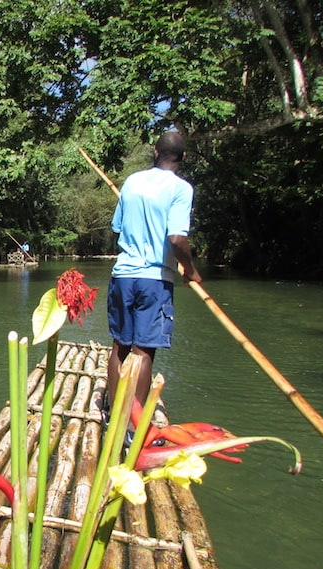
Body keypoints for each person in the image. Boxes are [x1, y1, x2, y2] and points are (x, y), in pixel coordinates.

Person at [106, 131, 202, 414]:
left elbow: (116, 229)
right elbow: (176, 238)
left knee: (119, 347)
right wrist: (191, 271)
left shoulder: (133, 182)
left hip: (123, 274)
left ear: (156, 152)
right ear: (182, 157)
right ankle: (133, 424)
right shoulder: (181, 189)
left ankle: (112, 412)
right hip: (155, 279)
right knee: (144, 351)